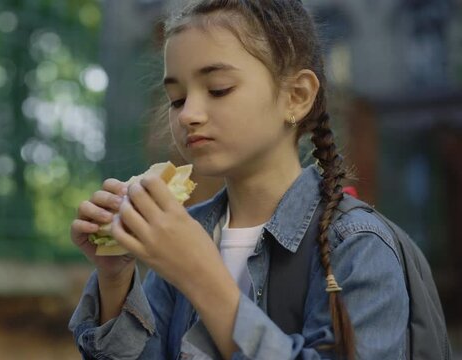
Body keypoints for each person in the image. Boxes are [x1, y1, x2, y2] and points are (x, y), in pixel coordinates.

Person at [68, 0, 409, 359]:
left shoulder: (357, 246)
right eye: (177, 99)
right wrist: (115, 277)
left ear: (297, 96)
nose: (189, 115)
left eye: (218, 89)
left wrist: (201, 276)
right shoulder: (187, 231)